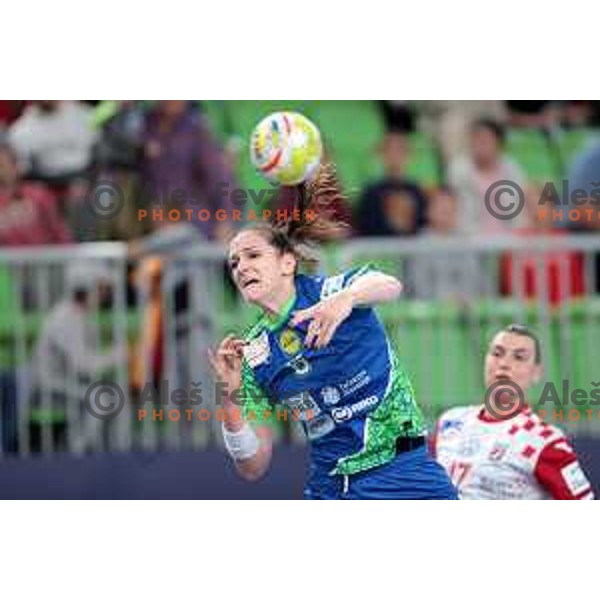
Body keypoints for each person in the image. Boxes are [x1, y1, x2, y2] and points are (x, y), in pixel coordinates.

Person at [208, 163, 457, 500]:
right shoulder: (252, 353)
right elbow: (253, 466)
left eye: (253, 255)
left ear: (287, 262)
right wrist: (230, 395)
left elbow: (390, 285)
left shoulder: (333, 291)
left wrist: (347, 299)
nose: (241, 267)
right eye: (234, 263)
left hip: (405, 471)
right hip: (334, 488)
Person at [432, 324, 594, 499]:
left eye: (519, 357)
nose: (504, 364)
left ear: (536, 373)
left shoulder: (544, 441)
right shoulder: (451, 421)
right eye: (497, 353)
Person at [447, 119, 526, 234]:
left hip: (508, 238)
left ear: (498, 143)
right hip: (468, 239)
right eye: (475, 140)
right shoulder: (458, 169)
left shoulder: (512, 169)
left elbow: (520, 212)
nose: (479, 145)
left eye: (485, 141)